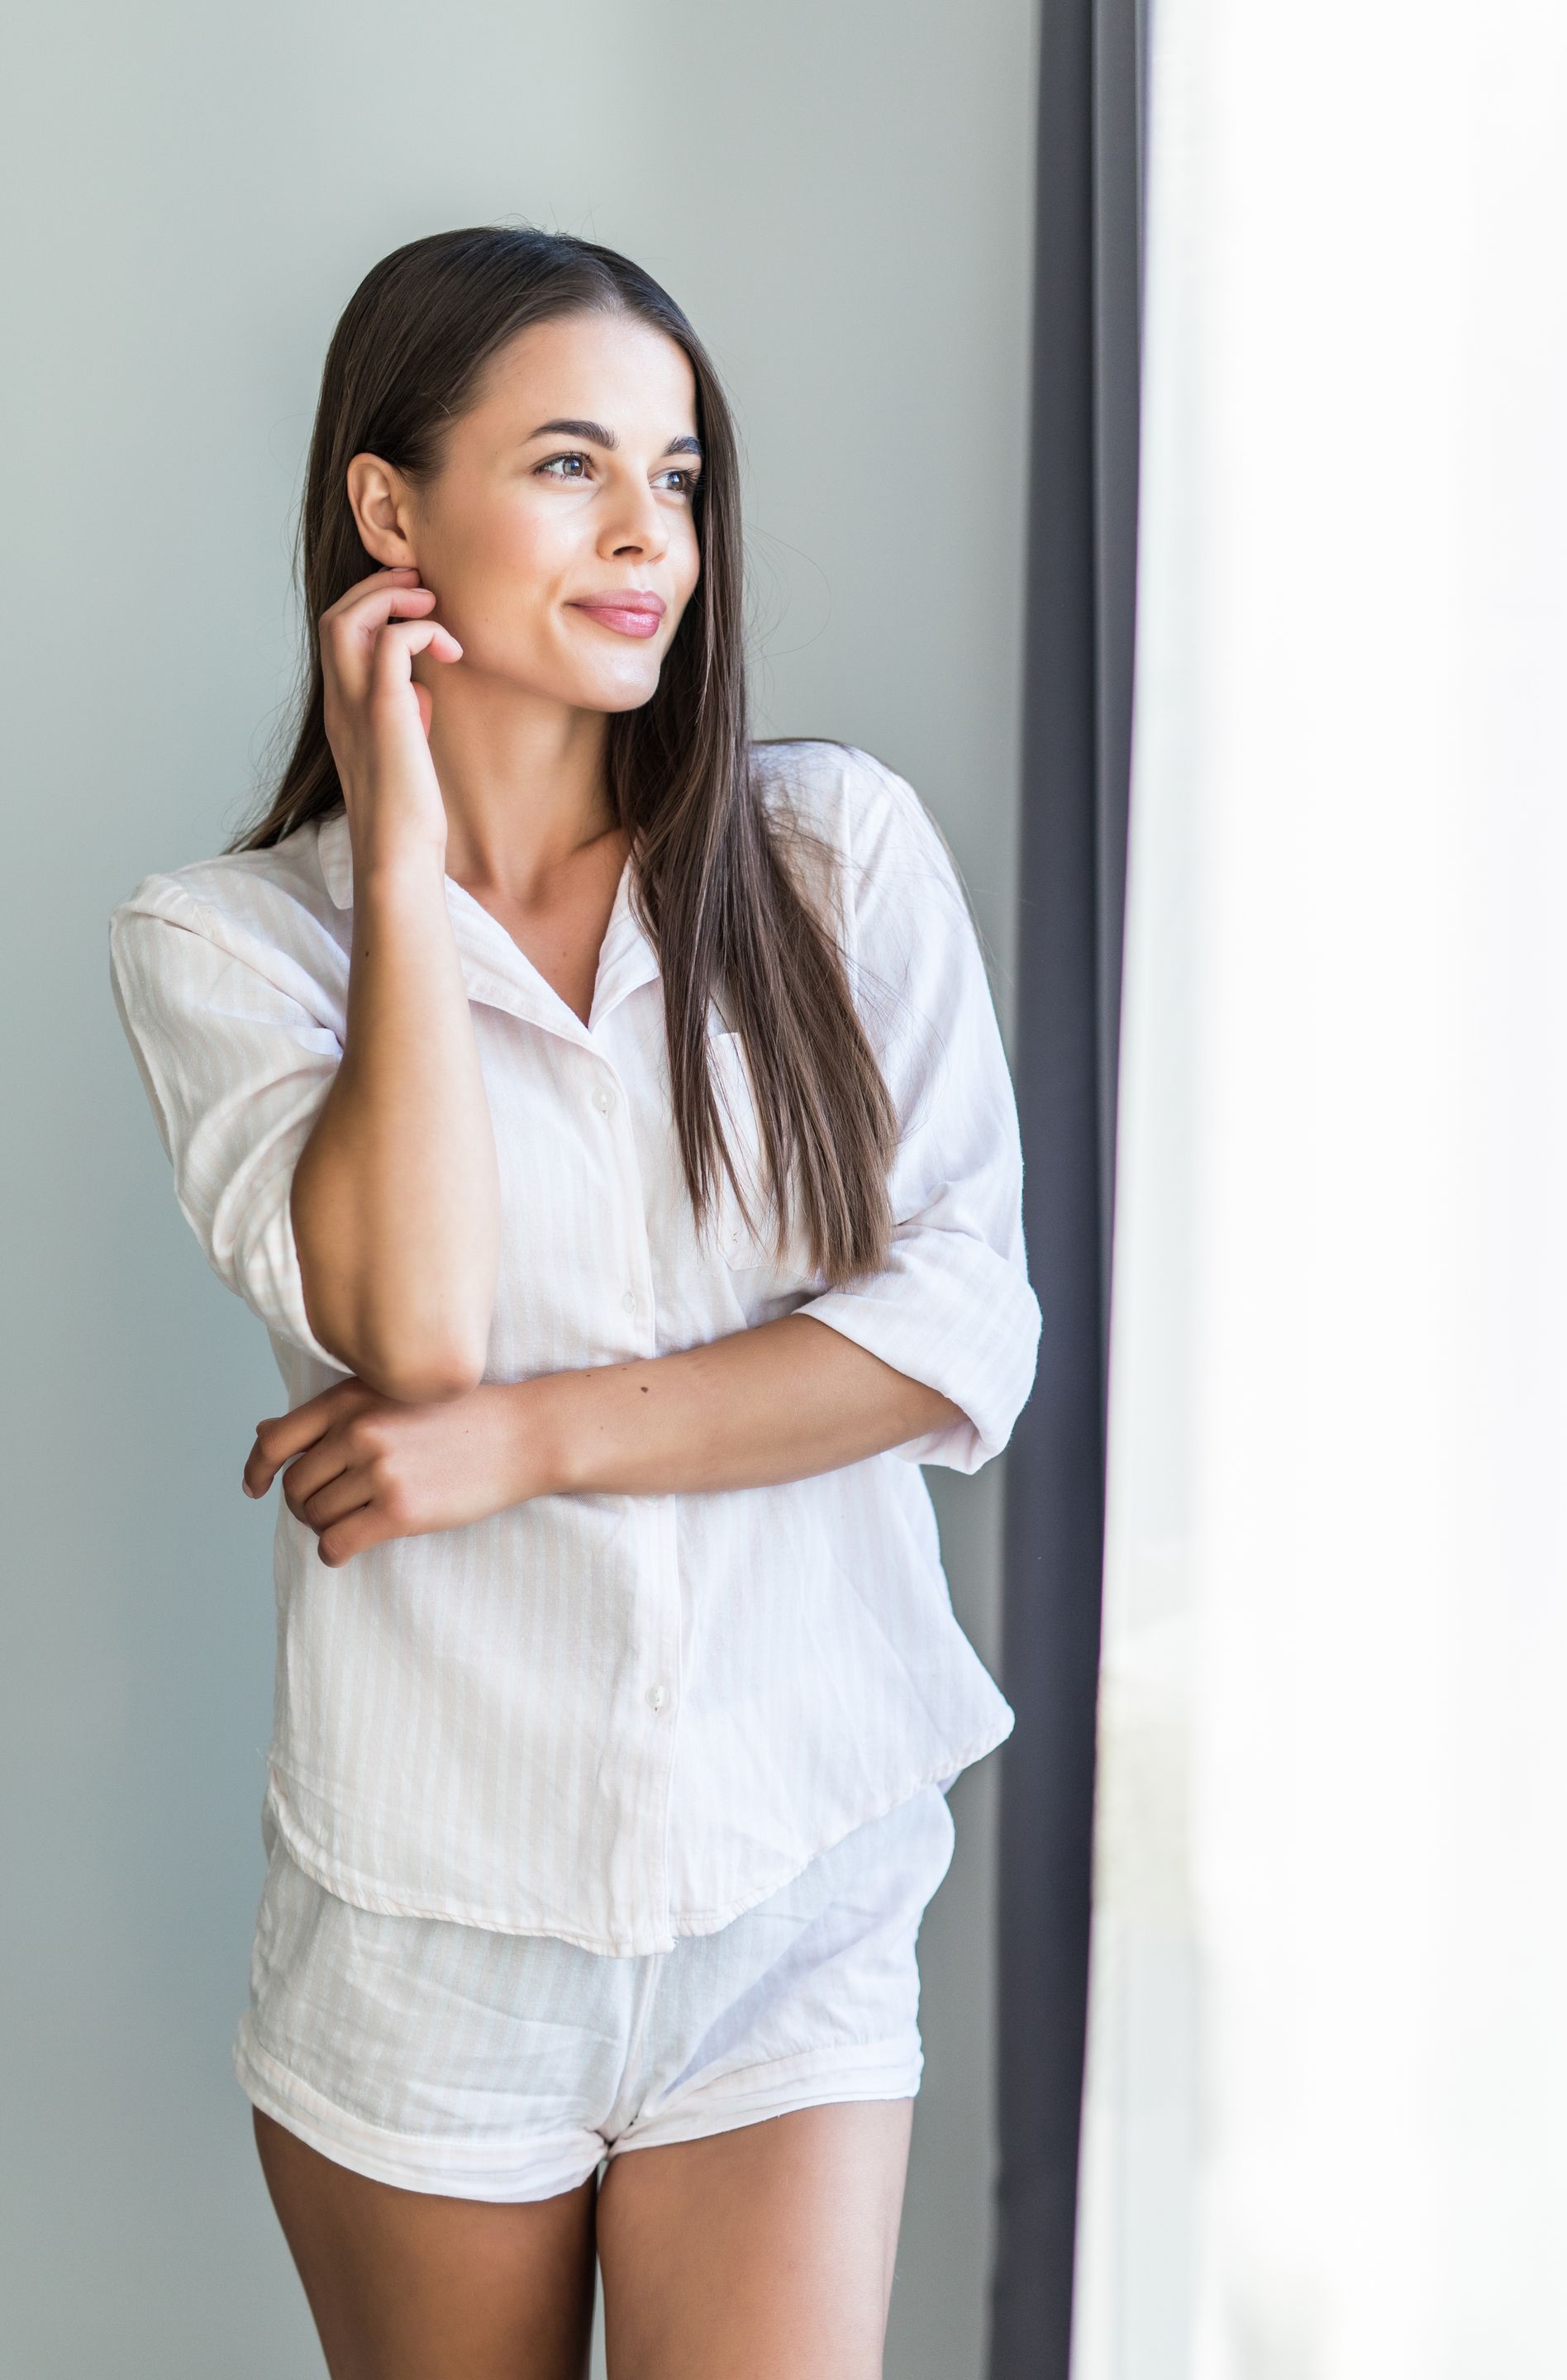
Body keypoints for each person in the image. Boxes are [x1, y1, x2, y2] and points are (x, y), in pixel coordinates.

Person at [108, 224, 1041, 2380]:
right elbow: (408, 1333)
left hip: (793, 1892)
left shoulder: (833, 857)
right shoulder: (232, 948)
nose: (650, 536)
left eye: (683, 475)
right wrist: (412, 847)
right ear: (388, 510)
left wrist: (522, 1442)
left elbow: (954, 1333)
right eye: (568, 466)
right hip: (433, 1932)